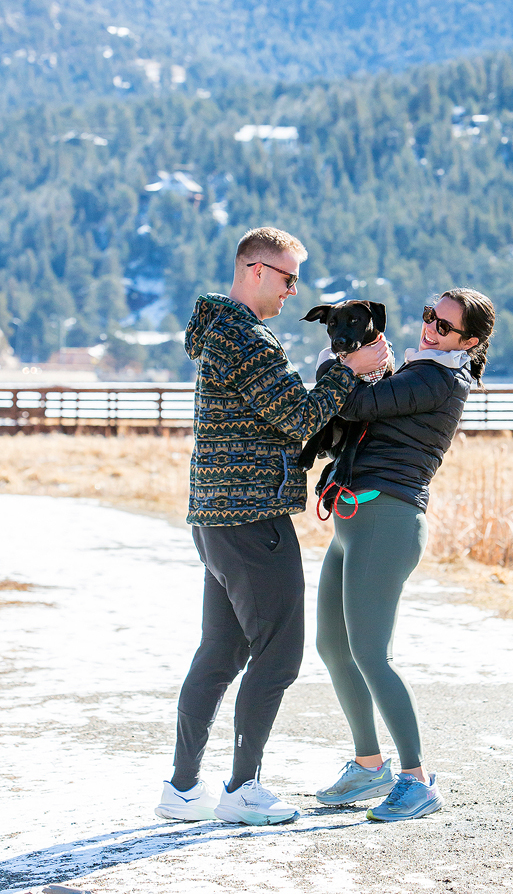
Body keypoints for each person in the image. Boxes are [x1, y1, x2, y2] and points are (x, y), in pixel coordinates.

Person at [155, 226, 389, 827]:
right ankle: (242, 789)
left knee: (220, 652)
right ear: (256, 270)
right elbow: (298, 416)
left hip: (215, 518)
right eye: (288, 278)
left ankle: (182, 788)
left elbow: (279, 417)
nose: (293, 292)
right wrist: (349, 367)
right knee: (279, 657)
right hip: (253, 518)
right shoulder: (246, 337)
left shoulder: (219, 331)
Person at [314, 288, 495, 821]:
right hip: (355, 520)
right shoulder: (418, 369)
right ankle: (370, 765)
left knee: (371, 654)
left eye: (444, 326)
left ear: (469, 342)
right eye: (429, 316)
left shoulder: (437, 378)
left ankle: (417, 780)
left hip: (386, 522)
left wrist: (336, 362)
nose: (430, 329)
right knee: (333, 646)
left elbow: (354, 403)